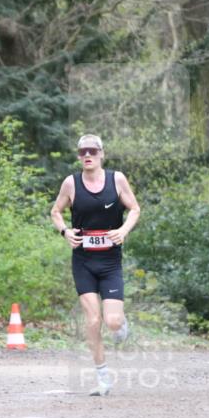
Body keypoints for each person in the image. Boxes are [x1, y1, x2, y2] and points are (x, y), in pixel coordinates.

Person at [50, 134, 141, 396]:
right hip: (83, 262)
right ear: (79, 156)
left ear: (101, 154)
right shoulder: (71, 183)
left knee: (112, 322)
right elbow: (55, 212)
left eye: (92, 151)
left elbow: (135, 209)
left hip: (110, 262)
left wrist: (123, 231)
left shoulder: (117, 179)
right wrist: (65, 232)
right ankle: (103, 379)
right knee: (92, 321)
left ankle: (120, 325)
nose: (87, 155)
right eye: (82, 152)